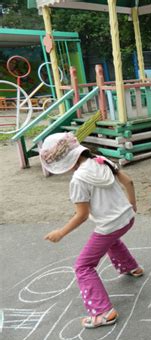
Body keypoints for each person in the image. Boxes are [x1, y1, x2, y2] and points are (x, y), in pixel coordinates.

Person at [39, 132, 143, 329]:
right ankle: (132, 268)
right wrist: (132, 205)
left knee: (83, 266)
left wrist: (60, 233)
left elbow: (82, 215)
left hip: (110, 226)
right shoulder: (102, 160)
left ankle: (103, 312)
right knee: (111, 240)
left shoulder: (78, 180)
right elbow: (129, 182)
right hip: (127, 218)